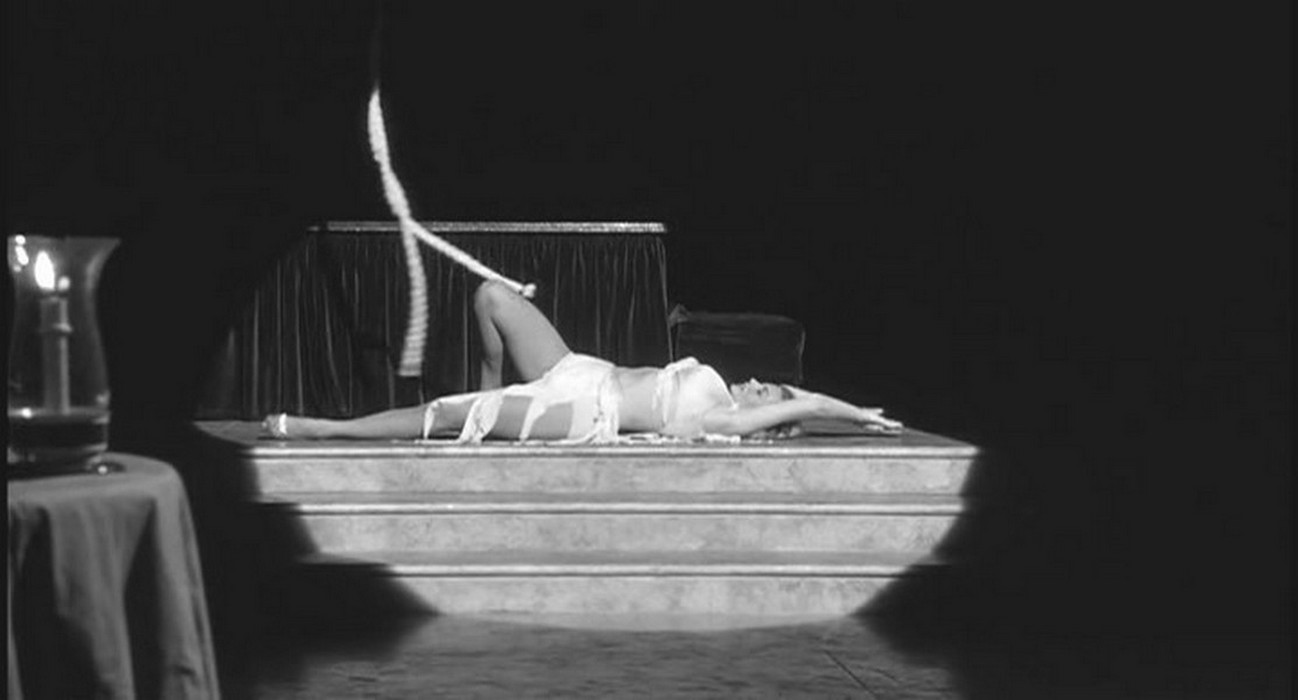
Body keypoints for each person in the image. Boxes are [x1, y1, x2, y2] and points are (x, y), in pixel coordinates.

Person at [263, 281, 903, 442]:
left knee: (441, 414)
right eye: (766, 382)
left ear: (769, 420)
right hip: (582, 369)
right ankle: (485, 391)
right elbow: (799, 403)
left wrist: (855, 415)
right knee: (492, 297)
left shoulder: (724, 422)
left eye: (769, 392)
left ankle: (325, 428)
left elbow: (809, 404)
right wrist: (852, 412)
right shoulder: (718, 390)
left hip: (582, 410)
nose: (758, 381)